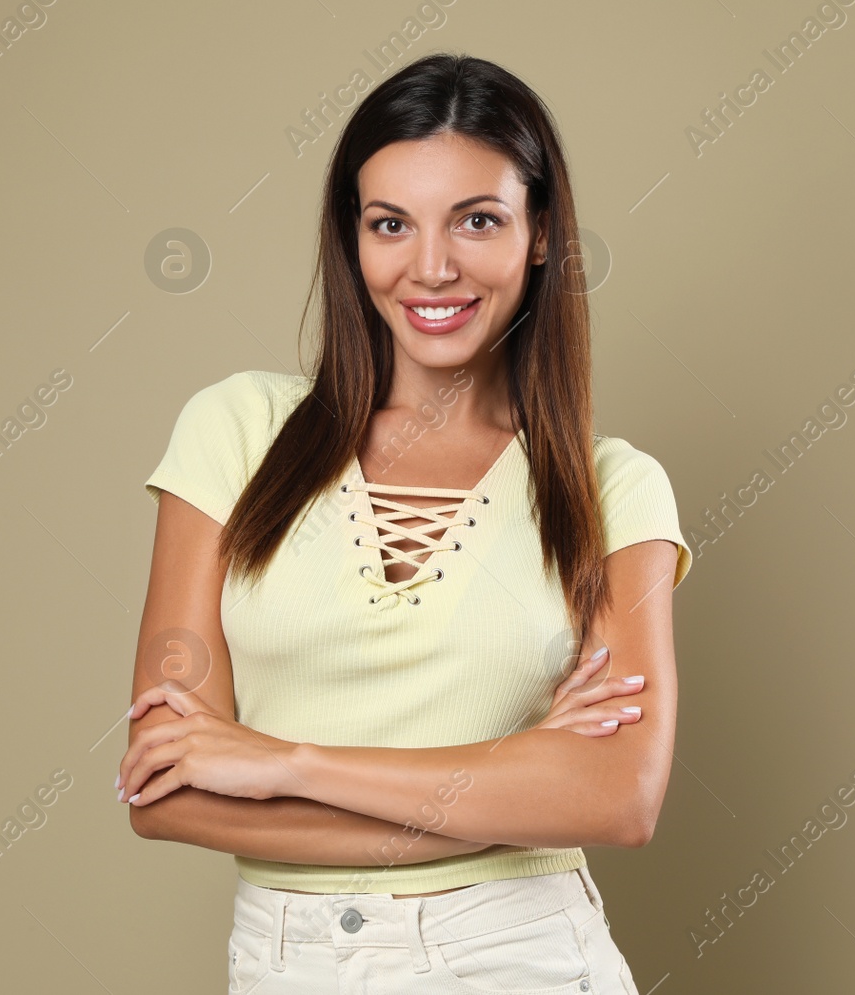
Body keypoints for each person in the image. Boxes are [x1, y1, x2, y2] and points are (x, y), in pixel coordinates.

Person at [119, 52, 692, 993]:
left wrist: (282, 760)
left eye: (478, 220)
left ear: (540, 234)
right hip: (285, 963)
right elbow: (164, 791)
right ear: (352, 239)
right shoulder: (235, 433)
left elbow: (621, 796)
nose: (433, 266)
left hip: (521, 959)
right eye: (392, 223)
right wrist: (514, 778)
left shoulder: (612, 492)